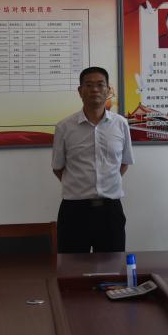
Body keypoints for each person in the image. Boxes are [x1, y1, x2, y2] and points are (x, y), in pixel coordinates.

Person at [52, 66, 135, 253]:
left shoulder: (121, 124)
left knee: (112, 267)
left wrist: (106, 183)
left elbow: (124, 163)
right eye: (88, 85)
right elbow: (58, 167)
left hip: (110, 211)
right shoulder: (65, 127)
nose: (95, 90)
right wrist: (79, 185)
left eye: (100, 85)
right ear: (80, 91)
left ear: (108, 90)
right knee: (71, 267)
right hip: (74, 211)